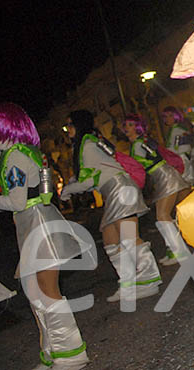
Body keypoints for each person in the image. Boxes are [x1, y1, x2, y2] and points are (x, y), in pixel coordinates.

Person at [0, 103, 91, 368]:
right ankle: (53, 353)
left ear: (7, 124)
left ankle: (71, 355)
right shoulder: (10, 155)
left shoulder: (16, 156)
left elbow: (16, 202)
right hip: (31, 224)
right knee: (34, 292)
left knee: (46, 291)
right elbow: (15, 199)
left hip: (38, 224)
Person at [60, 110, 162, 303]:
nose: (67, 131)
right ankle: (129, 282)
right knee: (110, 238)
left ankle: (149, 279)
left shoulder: (88, 145)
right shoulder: (88, 144)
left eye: (70, 126)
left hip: (120, 189)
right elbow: (94, 173)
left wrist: (68, 190)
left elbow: (90, 180)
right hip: (116, 191)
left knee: (129, 237)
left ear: (79, 125)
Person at [122, 114, 192, 266]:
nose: (126, 128)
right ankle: (173, 250)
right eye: (125, 125)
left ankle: (179, 252)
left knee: (163, 215)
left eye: (130, 125)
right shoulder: (141, 142)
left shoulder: (140, 143)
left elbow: (151, 161)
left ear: (138, 127)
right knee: (166, 215)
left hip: (165, 176)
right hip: (163, 177)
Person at [160, 105, 194, 188]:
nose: (168, 118)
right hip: (180, 160)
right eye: (165, 116)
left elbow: (184, 148)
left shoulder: (178, 130)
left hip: (182, 161)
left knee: (188, 183)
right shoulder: (173, 130)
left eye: (170, 115)